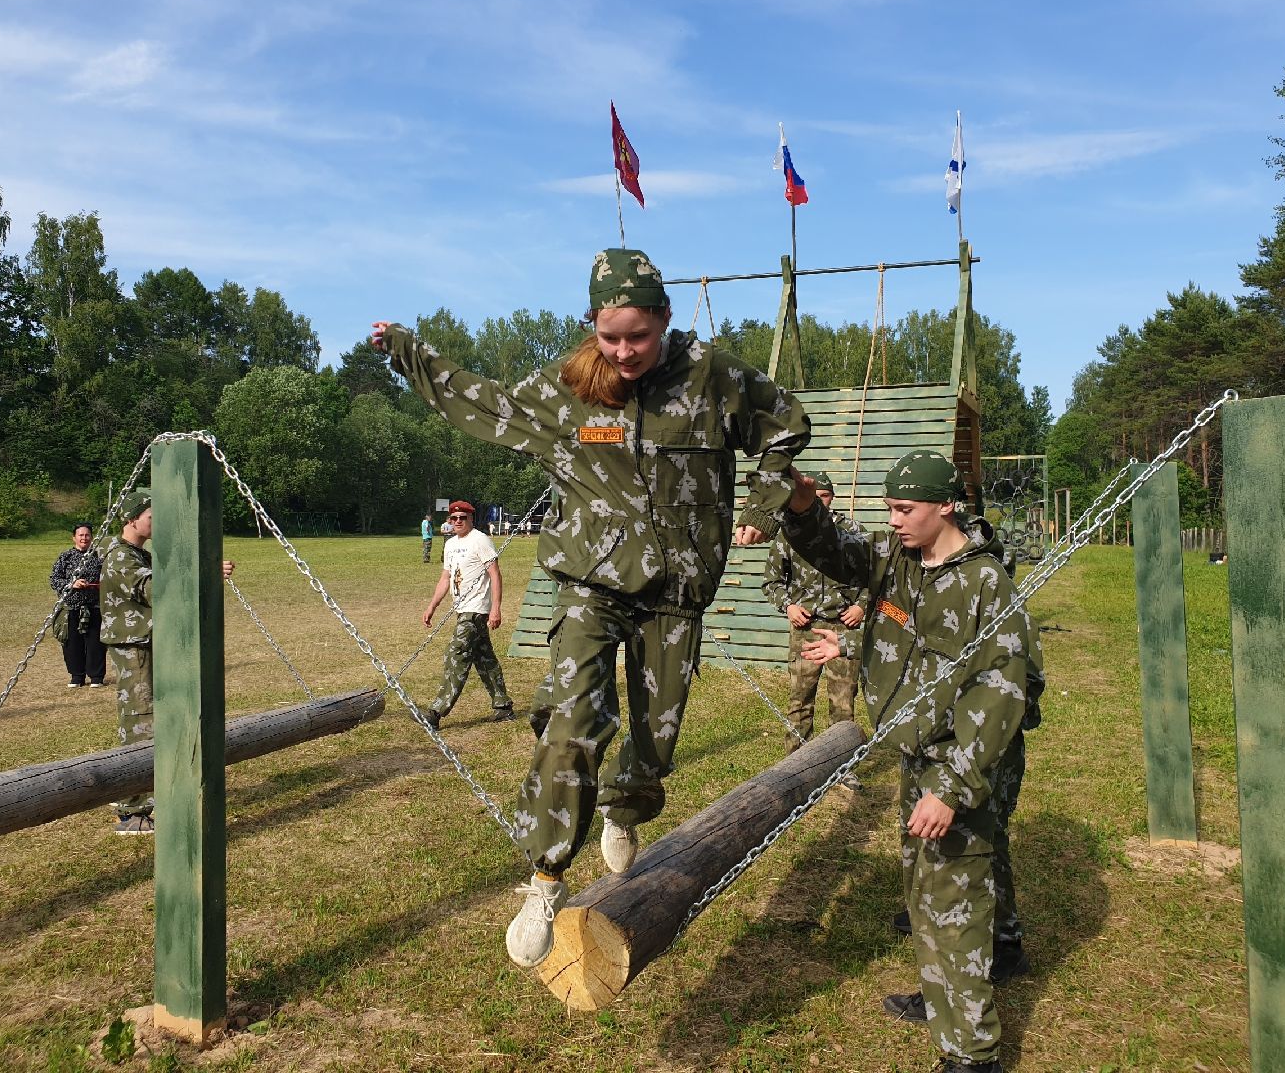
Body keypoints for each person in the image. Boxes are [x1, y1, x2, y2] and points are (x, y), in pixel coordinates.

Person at [372, 246, 810, 970]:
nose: (624, 351)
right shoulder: (569, 388)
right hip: (590, 582)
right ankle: (545, 878)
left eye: (639, 336)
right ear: (592, 326)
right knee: (576, 716)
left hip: (676, 590)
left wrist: (764, 502)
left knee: (655, 741)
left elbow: (786, 425)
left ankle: (624, 805)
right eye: (610, 337)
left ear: (664, 319)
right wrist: (409, 354)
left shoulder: (714, 377)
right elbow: (481, 403)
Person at [783, 450, 1042, 1073]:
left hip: (963, 757)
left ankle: (972, 1053)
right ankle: (948, 990)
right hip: (917, 748)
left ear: (946, 505)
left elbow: (999, 690)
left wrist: (951, 786)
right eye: (889, 509)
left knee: (951, 900)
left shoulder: (984, 583)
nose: (894, 521)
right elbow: (842, 561)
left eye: (905, 509)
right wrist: (801, 506)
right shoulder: (898, 559)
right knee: (928, 889)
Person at [100, 489, 235, 836]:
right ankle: (132, 812)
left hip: (147, 644)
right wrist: (206, 571)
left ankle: (153, 792)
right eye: (152, 516)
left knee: (158, 720)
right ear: (132, 519)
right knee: (140, 724)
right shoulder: (120, 557)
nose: (157, 522)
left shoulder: (138, 554)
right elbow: (156, 589)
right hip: (135, 650)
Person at [760, 472, 866, 755]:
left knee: (843, 703)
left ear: (832, 498)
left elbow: (874, 576)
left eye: (824, 496)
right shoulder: (788, 533)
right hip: (805, 628)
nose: (819, 501)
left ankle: (841, 765)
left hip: (843, 628)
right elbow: (771, 581)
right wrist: (788, 606)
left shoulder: (852, 530)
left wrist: (861, 606)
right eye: (815, 496)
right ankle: (795, 763)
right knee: (800, 700)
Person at [421, 499, 515, 729]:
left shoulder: (480, 540)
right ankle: (503, 706)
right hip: (461, 608)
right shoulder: (450, 544)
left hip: (475, 610)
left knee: (456, 654)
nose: (458, 521)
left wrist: (495, 608)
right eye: (454, 518)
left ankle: (436, 712)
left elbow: (495, 574)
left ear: (471, 518)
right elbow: (445, 578)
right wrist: (432, 606)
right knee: (484, 658)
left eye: (462, 518)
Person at [50, 522, 106, 688]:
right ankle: (77, 676)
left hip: (94, 607)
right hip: (71, 608)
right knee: (72, 644)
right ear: (74, 538)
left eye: (87, 535)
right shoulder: (65, 557)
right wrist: (72, 584)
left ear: (92, 537)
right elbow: (54, 579)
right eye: (81, 535)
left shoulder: (99, 557)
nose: (84, 538)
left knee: (95, 643)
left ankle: (96, 677)